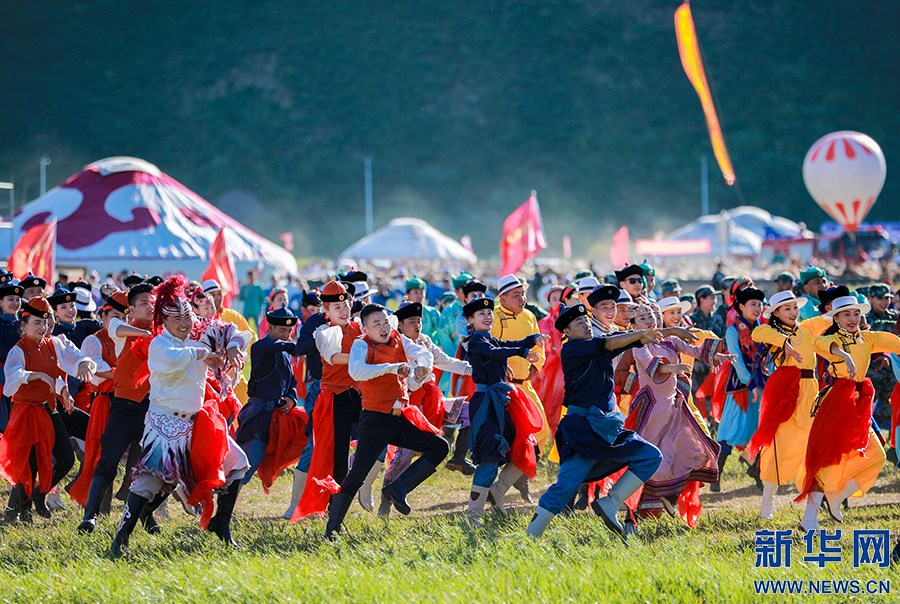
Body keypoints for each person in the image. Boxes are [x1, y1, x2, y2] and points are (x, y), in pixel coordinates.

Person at [110, 276, 249, 556]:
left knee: (238, 463)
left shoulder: (200, 332)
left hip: (198, 422)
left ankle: (221, 523)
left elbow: (234, 331)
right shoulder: (159, 344)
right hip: (165, 422)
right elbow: (175, 358)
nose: (185, 323)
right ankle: (122, 535)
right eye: (177, 319)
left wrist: (233, 346)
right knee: (152, 482)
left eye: (187, 317)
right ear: (164, 320)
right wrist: (203, 353)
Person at [527, 304, 664, 540]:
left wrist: (669, 333)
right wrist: (641, 334)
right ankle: (531, 537)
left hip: (606, 426)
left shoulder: (597, 346)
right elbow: (609, 343)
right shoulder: (573, 348)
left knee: (650, 456)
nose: (586, 324)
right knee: (566, 486)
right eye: (579, 322)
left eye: (586, 320)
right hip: (582, 428)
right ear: (567, 332)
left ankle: (611, 503)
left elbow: (626, 340)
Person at [323, 304, 449, 539]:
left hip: (399, 419)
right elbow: (357, 371)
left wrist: (422, 369)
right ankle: (332, 529)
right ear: (365, 328)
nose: (383, 328)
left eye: (385, 322)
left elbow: (423, 354)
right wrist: (392, 368)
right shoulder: (361, 344)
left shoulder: (398, 339)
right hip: (375, 421)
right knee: (357, 476)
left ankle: (397, 488)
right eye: (376, 324)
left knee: (439, 447)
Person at [794, 295, 899, 531]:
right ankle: (809, 519)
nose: (853, 318)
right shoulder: (832, 338)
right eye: (846, 314)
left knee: (877, 455)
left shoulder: (868, 338)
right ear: (837, 318)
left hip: (858, 403)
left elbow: (895, 342)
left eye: (856, 313)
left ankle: (837, 496)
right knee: (826, 460)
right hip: (837, 403)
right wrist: (844, 355)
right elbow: (820, 344)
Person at [628, 301, 729, 526]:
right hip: (652, 409)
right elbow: (650, 366)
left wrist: (718, 357)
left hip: (674, 406)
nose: (650, 320)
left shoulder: (670, 340)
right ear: (633, 325)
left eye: (652, 315)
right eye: (643, 318)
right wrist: (673, 369)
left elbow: (695, 351)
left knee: (697, 451)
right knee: (656, 456)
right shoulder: (638, 344)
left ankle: (670, 495)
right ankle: (638, 512)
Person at [0, 297, 95, 522]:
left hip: (48, 408)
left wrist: (82, 363)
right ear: (23, 325)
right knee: (29, 463)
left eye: (45, 322)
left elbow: (74, 357)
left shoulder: (53, 343)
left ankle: (40, 493)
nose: (43, 328)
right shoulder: (19, 350)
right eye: (37, 323)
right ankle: (20, 513)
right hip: (26, 411)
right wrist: (37, 376)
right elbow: (12, 379)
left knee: (66, 458)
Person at [375, 300, 472, 515]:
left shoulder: (425, 341)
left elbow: (446, 361)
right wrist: (417, 379)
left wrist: (474, 369)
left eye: (419, 321)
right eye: (412, 321)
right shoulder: (395, 346)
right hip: (410, 406)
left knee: (468, 411)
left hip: (433, 401)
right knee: (403, 457)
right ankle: (386, 501)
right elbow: (405, 385)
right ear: (400, 325)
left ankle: (459, 457)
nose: (418, 325)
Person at [75, 283, 157, 533]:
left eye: (152, 302)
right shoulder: (120, 330)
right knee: (107, 460)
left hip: (152, 409)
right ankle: (90, 515)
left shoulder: (163, 333)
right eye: (143, 303)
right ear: (131, 309)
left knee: (146, 467)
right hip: (124, 407)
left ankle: (146, 517)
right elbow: (115, 327)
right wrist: (149, 334)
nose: (150, 307)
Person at [463, 296, 548, 524]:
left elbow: (506, 345)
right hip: (486, 404)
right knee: (489, 458)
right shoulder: (476, 341)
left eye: (489, 313)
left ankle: (498, 490)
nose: (487, 316)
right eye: (481, 314)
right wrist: (522, 351)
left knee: (528, 447)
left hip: (502, 400)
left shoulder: (490, 339)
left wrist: (532, 339)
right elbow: (494, 351)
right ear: (470, 320)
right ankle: (473, 516)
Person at [747, 290, 830, 520]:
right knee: (778, 447)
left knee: (814, 445)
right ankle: (766, 507)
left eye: (794, 307)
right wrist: (784, 342)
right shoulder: (772, 332)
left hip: (809, 391)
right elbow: (757, 332)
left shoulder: (807, 328)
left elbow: (828, 319)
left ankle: (815, 507)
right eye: (787, 309)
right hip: (786, 394)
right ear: (776, 313)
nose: (793, 312)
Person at [292, 280, 363, 519]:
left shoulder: (358, 328)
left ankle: (371, 491)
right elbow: (334, 357)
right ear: (327, 311)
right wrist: (367, 355)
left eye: (346, 305)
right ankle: (333, 507)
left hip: (360, 396)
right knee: (335, 456)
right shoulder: (323, 332)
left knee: (375, 443)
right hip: (335, 399)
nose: (343, 310)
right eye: (336, 307)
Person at [491, 274, 550, 504]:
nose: (522, 299)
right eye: (516, 295)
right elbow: (489, 347)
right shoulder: (493, 317)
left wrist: (536, 366)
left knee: (542, 432)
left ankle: (514, 478)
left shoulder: (529, 316)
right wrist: (501, 365)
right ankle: (498, 485)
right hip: (504, 388)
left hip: (526, 385)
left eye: (523, 294)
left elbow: (539, 347)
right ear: (503, 298)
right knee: (514, 436)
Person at [236, 306, 307, 493]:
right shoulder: (260, 347)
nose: (286, 335)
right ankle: (221, 504)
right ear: (270, 328)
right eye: (282, 330)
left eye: (289, 331)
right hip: (258, 417)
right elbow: (275, 346)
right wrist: (297, 347)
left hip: (276, 419)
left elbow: (291, 382)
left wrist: (291, 398)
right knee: (243, 468)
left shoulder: (285, 353)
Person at [712, 287, 768, 492]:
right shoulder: (733, 330)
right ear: (741, 307)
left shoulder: (763, 330)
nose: (757, 308)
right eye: (753, 304)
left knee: (761, 429)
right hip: (740, 385)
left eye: (760, 304)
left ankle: (756, 469)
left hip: (762, 382)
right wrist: (750, 384)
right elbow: (736, 360)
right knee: (729, 430)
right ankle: (716, 476)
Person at [282, 291, 327, 519]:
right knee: (313, 443)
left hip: (349, 390)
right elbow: (300, 349)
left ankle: (328, 502)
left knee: (337, 446)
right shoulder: (313, 324)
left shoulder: (355, 324)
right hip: (317, 387)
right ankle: (296, 503)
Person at [0, 273, 23, 433]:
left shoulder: (26, 324)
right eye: (10, 299)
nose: (15, 303)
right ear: (1, 302)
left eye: (17, 299)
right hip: (3, 379)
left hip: (23, 378)